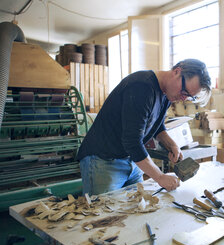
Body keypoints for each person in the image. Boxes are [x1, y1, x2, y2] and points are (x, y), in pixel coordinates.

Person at [77, 59, 211, 195]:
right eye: (184, 92)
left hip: (131, 160)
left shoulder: (167, 94)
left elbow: (156, 126)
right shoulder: (141, 87)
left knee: (136, 209)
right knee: (103, 213)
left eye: (189, 97)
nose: (183, 98)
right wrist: (160, 177)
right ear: (177, 72)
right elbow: (132, 141)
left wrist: (172, 145)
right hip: (104, 160)